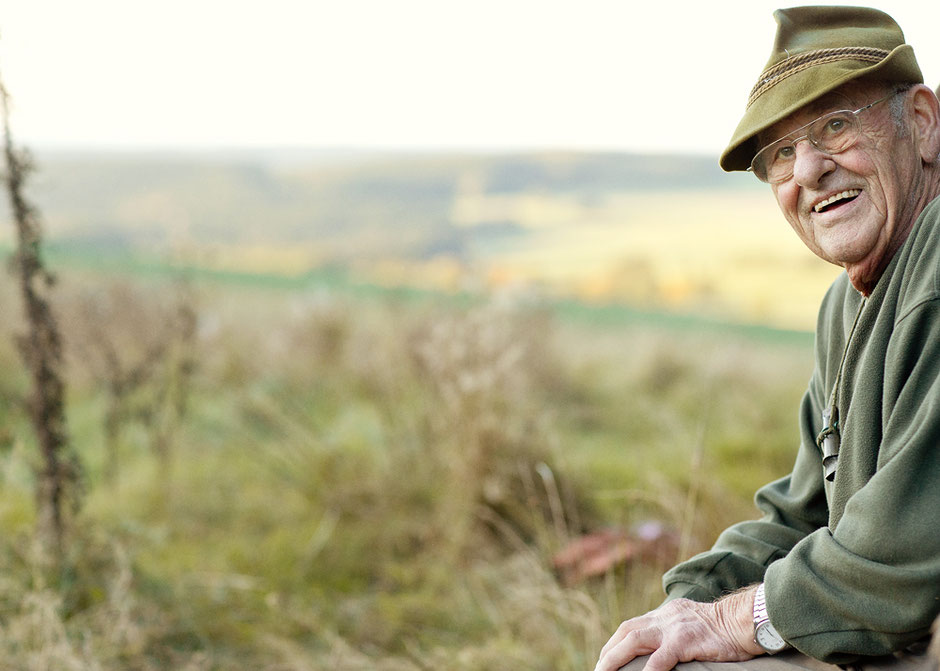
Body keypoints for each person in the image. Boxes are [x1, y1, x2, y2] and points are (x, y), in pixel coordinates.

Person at [594, 6, 940, 671]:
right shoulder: (850, 302)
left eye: (836, 126)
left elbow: (899, 560)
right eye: (781, 153)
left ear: (922, 123)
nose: (808, 171)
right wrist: (691, 598)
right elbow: (805, 511)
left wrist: (732, 617)